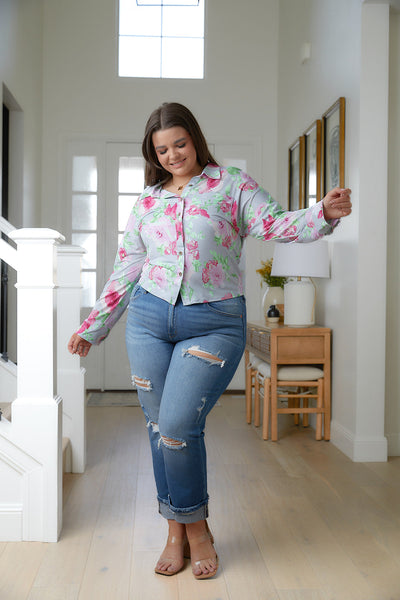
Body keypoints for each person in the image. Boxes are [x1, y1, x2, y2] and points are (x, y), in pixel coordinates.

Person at [68, 102, 352, 579]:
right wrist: (93, 327)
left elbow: (276, 223)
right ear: (153, 155)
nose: (172, 155)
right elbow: (127, 269)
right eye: (162, 150)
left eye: (179, 144)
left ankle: (197, 529)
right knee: (159, 429)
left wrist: (322, 213)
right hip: (148, 320)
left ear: (195, 139)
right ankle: (174, 530)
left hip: (214, 322)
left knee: (178, 425)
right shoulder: (147, 202)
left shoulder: (232, 185)